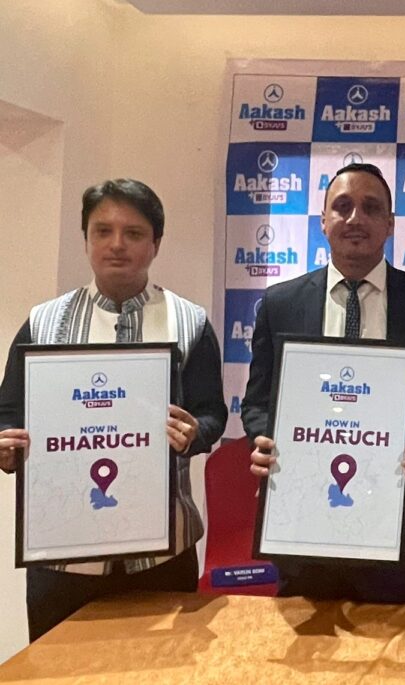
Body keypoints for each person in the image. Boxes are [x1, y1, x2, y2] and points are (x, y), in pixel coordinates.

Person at [0, 178, 227, 641]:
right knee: (59, 670)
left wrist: (194, 433)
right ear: (85, 239)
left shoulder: (190, 322)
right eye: (102, 231)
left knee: (161, 668)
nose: (117, 244)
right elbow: (8, 412)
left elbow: (212, 413)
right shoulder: (43, 323)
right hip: (62, 557)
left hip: (163, 556)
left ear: (156, 243)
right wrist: (6, 446)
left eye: (134, 233)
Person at [242, 162, 405, 605]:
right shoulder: (280, 304)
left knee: (401, 645)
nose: (355, 218)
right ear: (322, 221)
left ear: (390, 223)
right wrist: (266, 437)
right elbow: (256, 402)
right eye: (343, 206)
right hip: (305, 523)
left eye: (371, 208)